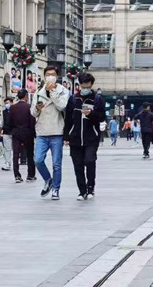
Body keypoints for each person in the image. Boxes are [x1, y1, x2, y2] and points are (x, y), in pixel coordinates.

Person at [64, 72, 105, 200]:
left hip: (91, 137)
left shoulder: (97, 100)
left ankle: (91, 187)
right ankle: (82, 191)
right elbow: (68, 119)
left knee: (89, 160)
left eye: (87, 86)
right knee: (78, 165)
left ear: (91, 85)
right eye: (83, 86)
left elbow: (102, 117)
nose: (85, 89)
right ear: (79, 85)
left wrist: (91, 114)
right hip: (75, 138)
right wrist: (66, 136)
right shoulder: (73, 99)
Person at [32, 65, 69, 200]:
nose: (50, 77)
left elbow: (62, 106)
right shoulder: (38, 92)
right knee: (37, 159)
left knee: (56, 163)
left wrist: (53, 92)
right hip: (42, 131)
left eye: (53, 74)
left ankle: (56, 189)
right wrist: (37, 107)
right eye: (48, 74)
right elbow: (33, 113)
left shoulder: (63, 91)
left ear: (57, 76)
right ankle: (48, 179)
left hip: (57, 131)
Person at [9, 89, 36, 183]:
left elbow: (9, 121)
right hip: (27, 132)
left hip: (16, 132)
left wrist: (11, 131)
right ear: (26, 96)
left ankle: (17, 175)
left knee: (16, 154)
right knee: (29, 154)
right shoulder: (29, 107)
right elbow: (32, 121)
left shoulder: (12, 107)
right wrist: (33, 133)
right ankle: (30, 174)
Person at [0, 97, 14, 173]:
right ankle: (8, 163)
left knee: (15, 149)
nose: (6, 105)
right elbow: (2, 122)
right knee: (7, 148)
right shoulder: (4, 112)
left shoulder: (15, 111)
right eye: (5, 103)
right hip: (6, 132)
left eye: (8, 103)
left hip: (14, 132)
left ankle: (14, 163)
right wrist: (0, 132)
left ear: (12, 102)